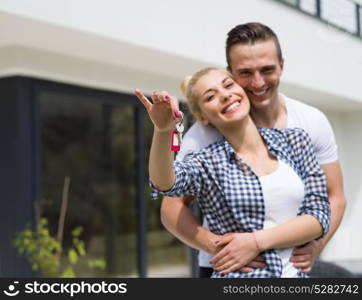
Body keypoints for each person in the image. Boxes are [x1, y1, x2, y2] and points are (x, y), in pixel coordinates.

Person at [161, 22, 346, 277]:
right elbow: (171, 208)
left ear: (281, 64)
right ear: (231, 73)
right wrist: (223, 249)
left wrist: (317, 245)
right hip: (228, 268)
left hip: (292, 265)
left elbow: (334, 196)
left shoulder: (309, 122)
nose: (258, 82)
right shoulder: (204, 134)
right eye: (246, 73)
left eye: (267, 69)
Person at [134, 67, 330, 278]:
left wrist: (255, 242)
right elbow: (166, 182)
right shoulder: (208, 162)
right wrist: (163, 132)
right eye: (210, 96)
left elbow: (319, 214)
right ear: (203, 117)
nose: (225, 95)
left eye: (228, 85)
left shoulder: (296, 141)